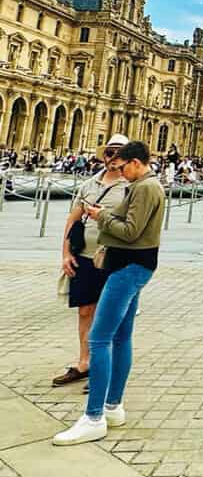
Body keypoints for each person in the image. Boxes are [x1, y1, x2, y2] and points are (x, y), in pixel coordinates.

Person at [53, 141, 165, 445]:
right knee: (120, 337)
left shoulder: (144, 187)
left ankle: (93, 417)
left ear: (136, 163)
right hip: (134, 266)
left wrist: (101, 215)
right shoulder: (145, 184)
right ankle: (113, 407)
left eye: (123, 166)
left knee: (99, 339)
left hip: (127, 268)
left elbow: (130, 231)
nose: (120, 172)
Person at [53, 135, 130, 388]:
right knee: (85, 311)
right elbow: (73, 221)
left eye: (119, 154)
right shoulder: (89, 184)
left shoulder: (132, 187)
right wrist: (66, 253)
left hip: (114, 258)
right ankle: (84, 362)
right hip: (85, 256)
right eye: (109, 153)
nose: (113, 159)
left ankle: (102, 367)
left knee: (110, 316)